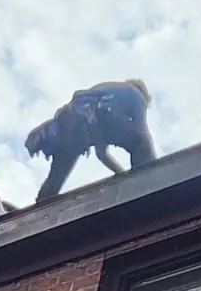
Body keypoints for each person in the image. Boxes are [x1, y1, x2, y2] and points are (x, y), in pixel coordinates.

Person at [25, 79, 156, 203]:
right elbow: (141, 132)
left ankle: (42, 204)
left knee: (58, 175)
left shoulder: (107, 91)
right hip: (100, 117)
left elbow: (102, 155)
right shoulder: (136, 94)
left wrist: (123, 176)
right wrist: (154, 172)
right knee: (141, 144)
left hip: (71, 121)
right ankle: (146, 186)